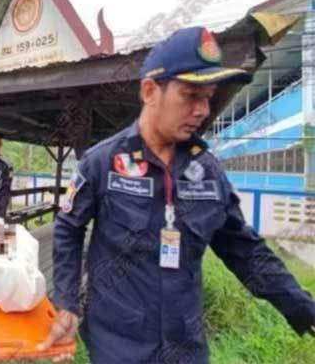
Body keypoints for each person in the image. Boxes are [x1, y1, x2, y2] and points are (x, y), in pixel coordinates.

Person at [39, 26, 315, 363]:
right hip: (118, 346)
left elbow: (246, 251)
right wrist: (67, 302)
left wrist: (304, 308)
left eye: (207, 97)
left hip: (185, 347)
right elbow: (68, 228)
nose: (202, 110)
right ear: (150, 91)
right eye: (190, 95)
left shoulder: (208, 172)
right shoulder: (103, 163)